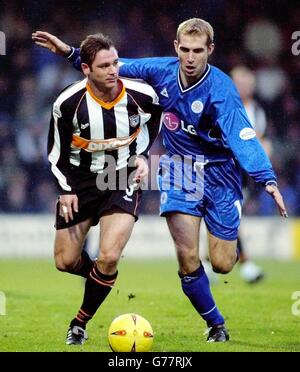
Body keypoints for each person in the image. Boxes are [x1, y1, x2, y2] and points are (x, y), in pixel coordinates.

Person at [32, 18, 287, 343]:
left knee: (222, 264)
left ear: (210, 50)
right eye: (185, 50)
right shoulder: (161, 70)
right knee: (187, 257)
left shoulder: (222, 90)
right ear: (176, 48)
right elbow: (112, 65)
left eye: (198, 51)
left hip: (221, 173)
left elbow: (243, 136)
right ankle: (216, 326)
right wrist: (69, 52)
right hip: (179, 170)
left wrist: (266, 178)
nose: (191, 58)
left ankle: (234, 252)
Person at [44, 33, 161, 345]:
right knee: (65, 261)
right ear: (85, 69)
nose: (113, 70)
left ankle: (79, 323)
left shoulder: (143, 95)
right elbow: (54, 153)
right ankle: (103, 278)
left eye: (116, 63)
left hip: (120, 177)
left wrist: (142, 156)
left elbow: (153, 122)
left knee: (108, 256)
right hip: (79, 183)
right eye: (105, 65)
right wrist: (65, 189)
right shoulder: (67, 103)